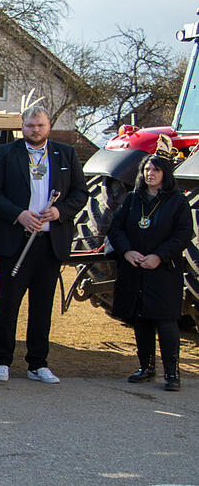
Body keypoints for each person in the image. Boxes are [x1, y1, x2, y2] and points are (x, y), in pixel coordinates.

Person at [0, 105, 88, 383]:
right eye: (30, 125)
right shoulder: (6, 153)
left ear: (49, 125)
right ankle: (2, 361)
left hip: (49, 242)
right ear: (22, 126)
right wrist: (18, 214)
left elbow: (81, 193)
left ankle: (37, 363)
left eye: (40, 125)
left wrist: (59, 212)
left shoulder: (66, 154)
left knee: (42, 306)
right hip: (16, 241)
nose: (35, 130)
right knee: (8, 303)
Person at [107, 135, 192, 391]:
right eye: (146, 169)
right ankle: (146, 367)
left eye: (155, 169)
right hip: (136, 269)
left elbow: (183, 234)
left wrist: (159, 256)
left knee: (165, 321)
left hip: (164, 271)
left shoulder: (178, 202)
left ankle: (172, 373)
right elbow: (116, 228)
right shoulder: (133, 199)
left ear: (165, 173)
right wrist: (128, 252)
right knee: (141, 319)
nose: (149, 173)